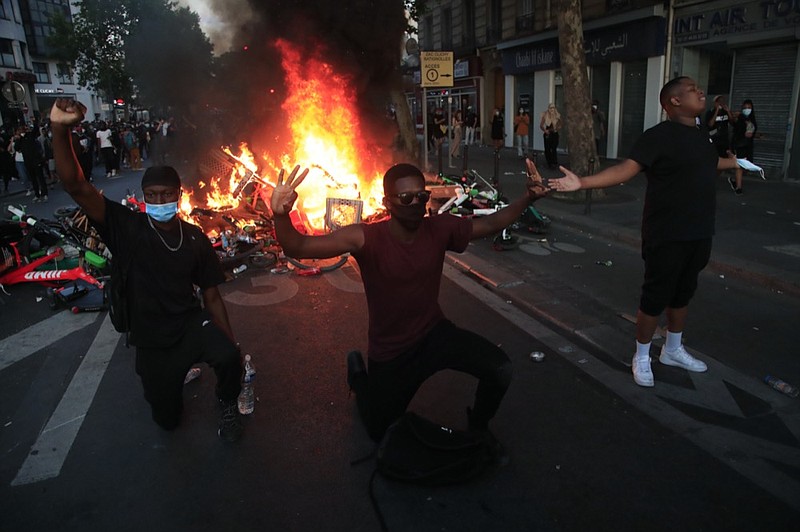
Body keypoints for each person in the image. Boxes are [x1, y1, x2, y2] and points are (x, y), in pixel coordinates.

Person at [269, 160, 549, 450]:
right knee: (380, 431)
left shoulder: (440, 228)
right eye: (406, 198)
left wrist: (528, 197)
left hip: (433, 334)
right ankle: (358, 374)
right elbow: (298, 247)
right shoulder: (366, 237)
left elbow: (491, 223)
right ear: (386, 203)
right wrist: (280, 214)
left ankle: (478, 427)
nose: (416, 203)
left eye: (422, 196)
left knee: (500, 369)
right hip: (391, 351)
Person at [49, 98, 244, 442]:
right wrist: (59, 129)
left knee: (229, 357)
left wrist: (230, 341)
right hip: (151, 339)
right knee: (167, 420)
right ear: (143, 197)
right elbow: (76, 186)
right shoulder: (127, 228)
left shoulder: (195, 237)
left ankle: (227, 401)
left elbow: (211, 296)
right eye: (152, 195)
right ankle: (172, 382)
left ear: (178, 195)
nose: (159, 201)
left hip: (188, 325)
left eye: (166, 194)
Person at [548, 76, 741, 388]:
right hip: (666, 232)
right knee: (656, 295)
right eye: (692, 90)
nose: (700, 91)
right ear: (674, 101)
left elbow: (708, 163)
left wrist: (733, 162)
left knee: (683, 292)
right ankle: (641, 355)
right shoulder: (657, 137)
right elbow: (626, 169)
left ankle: (673, 350)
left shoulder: (702, 136)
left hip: (700, 229)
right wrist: (582, 182)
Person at [729, 99, 757, 195]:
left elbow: (751, 132)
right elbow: (734, 124)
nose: (747, 110)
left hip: (748, 147)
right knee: (739, 167)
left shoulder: (752, 120)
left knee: (745, 167)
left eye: (749, 108)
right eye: (745, 108)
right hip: (739, 146)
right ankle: (739, 187)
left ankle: (735, 180)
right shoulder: (740, 119)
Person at [540, 103, 561, 168]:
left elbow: (561, 124)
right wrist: (545, 130)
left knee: (554, 147)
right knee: (547, 148)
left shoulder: (557, 115)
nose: (552, 109)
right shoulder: (545, 115)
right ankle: (549, 162)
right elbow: (541, 125)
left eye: (553, 108)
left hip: (554, 133)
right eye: (550, 108)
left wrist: (557, 128)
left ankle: (554, 161)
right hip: (548, 133)